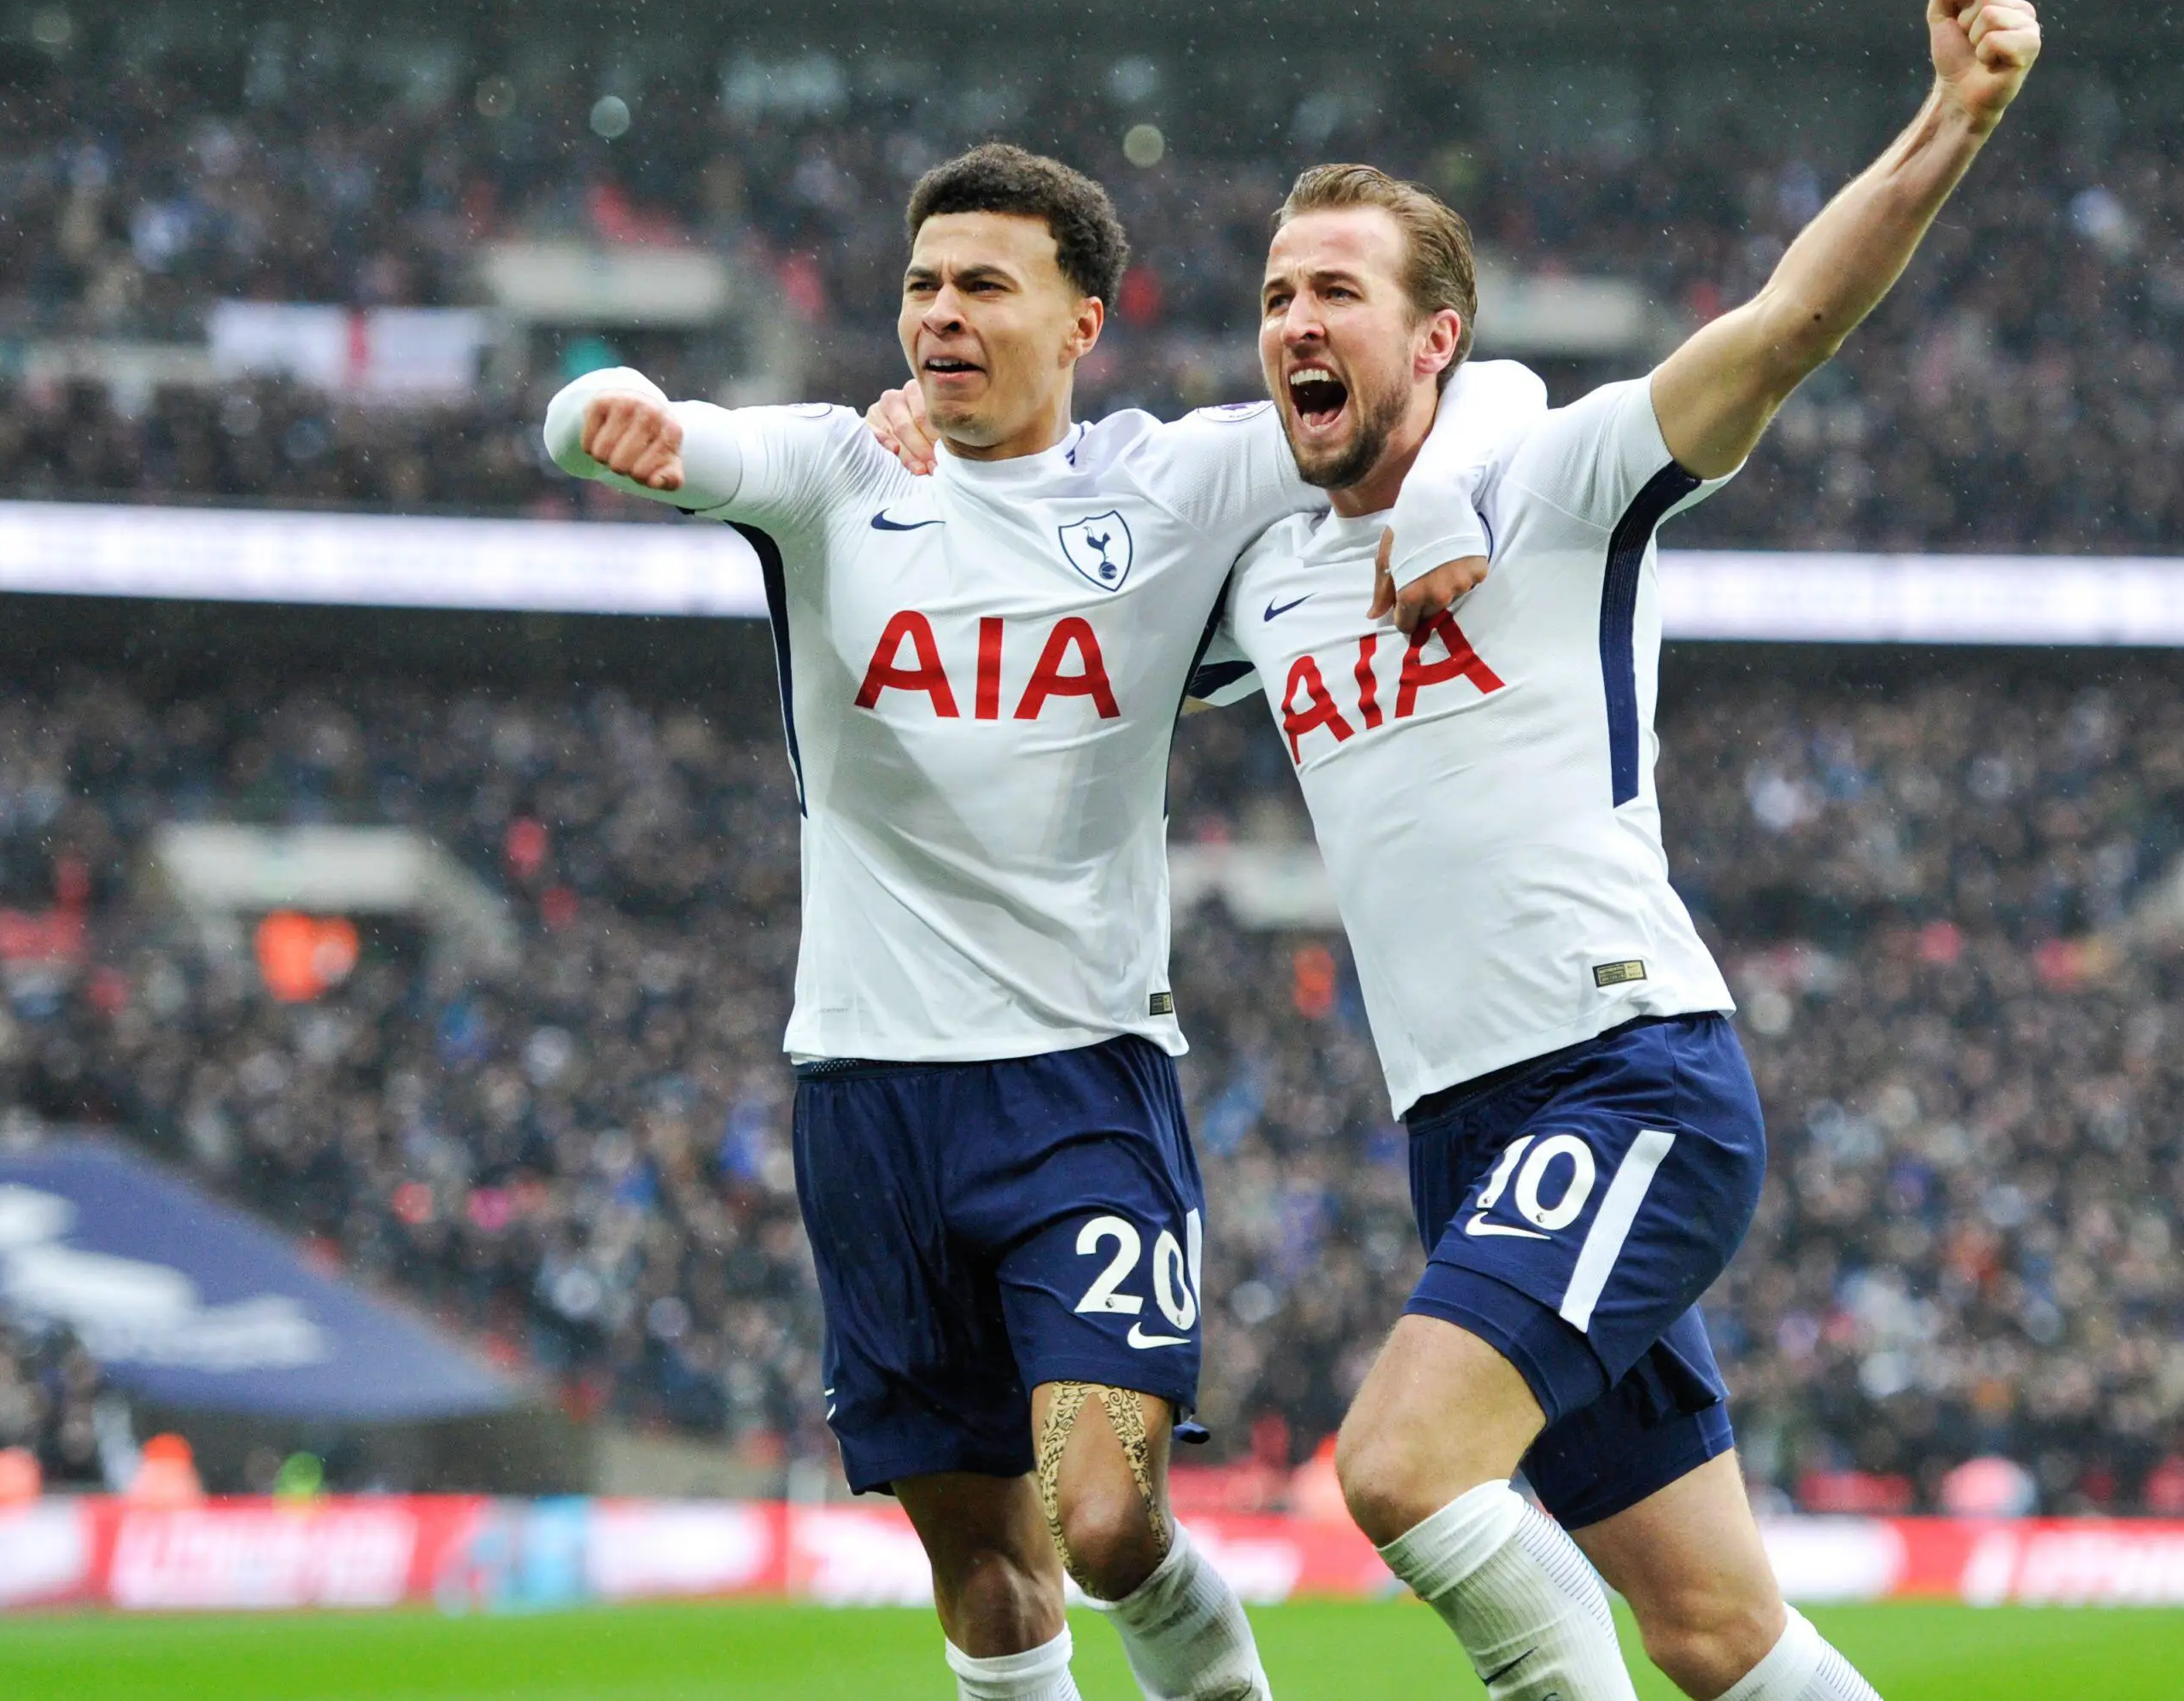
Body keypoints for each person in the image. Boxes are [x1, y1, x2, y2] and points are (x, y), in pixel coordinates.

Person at [541, 143, 1537, 1701]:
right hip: (866, 1096)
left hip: (1076, 1088)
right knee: (987, 1565)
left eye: (982, 285)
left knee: (1102, 1512)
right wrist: (616, 422)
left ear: (1082, 323)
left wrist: (1456, 495)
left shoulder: (1178, 479)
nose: (938, 313)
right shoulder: (834, 472)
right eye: (920, 285)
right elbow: (661, 434)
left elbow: (1491, 386)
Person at [1197, 0, 2042, 1700]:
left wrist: (1949, 121)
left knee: (1400, 1467)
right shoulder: (1264, 573)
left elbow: (1781, 325)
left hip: (1621, 1073)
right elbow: (1064, 566)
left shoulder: (1554, 479)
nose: (1294, 321)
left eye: (1335, 291)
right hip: (1463, 1133)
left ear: (1433, 337)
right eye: (1275, 293)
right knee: (1716, 1628)